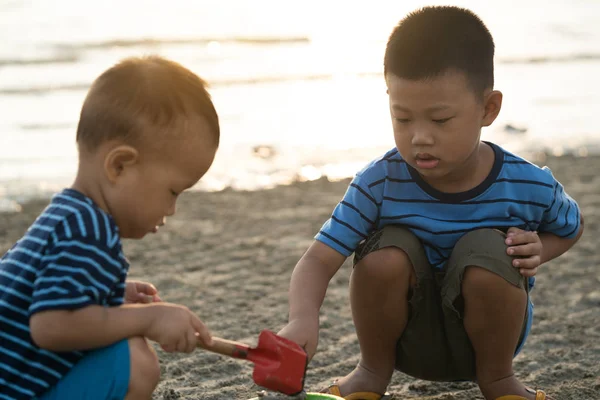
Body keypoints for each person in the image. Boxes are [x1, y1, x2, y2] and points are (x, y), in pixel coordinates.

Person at [278, 6, 583, 400]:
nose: (419, 137)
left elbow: (570, 228)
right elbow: (318, 259)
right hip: (403, 343)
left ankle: (499, 381)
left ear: (488, 109)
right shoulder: (379, 182)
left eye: (439, 120)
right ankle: (371, 373)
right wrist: (302, 319)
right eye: (403, 119)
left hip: (487, 344)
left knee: (489, 248)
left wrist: (540, 249)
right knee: (385, 252)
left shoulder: (527, 183)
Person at [0, 55, 219, 400]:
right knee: (134, 359)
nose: (172, 209)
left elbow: (40, 290)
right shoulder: (89, 231)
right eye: (173, 191)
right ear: (119, 165)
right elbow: (51, 326)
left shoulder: (66, 214)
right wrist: (149, 319)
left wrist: (108, 295)